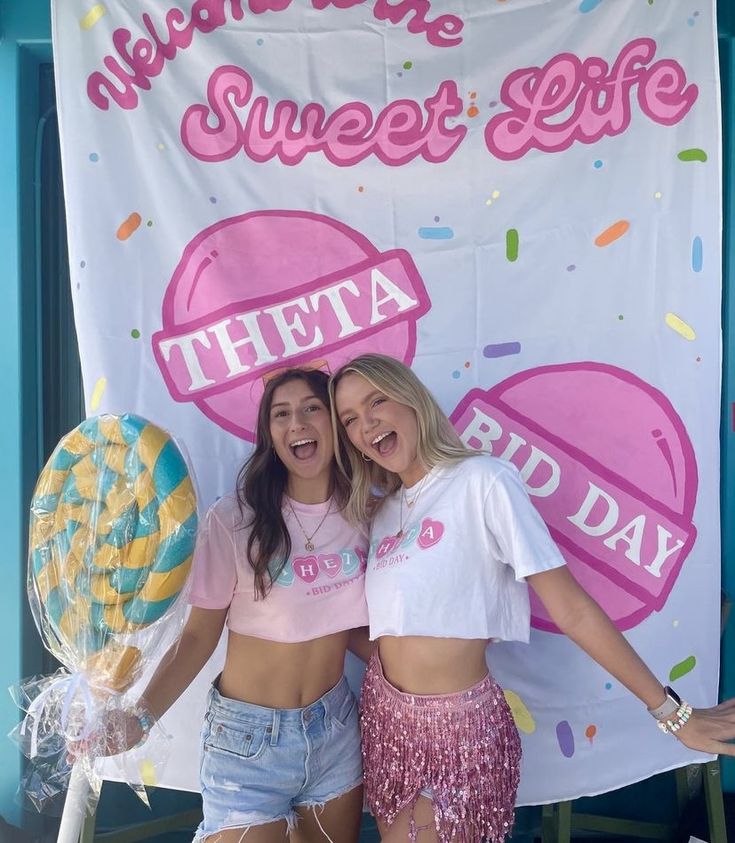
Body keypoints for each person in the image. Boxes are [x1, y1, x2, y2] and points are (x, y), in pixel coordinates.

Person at [328, 352, 735, 843]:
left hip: (463, 733)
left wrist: (671, 713)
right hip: (387, 723)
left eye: (377, 401)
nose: (365, 423)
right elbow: (387, 628)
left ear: (412, 400)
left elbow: (572, 609)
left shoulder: (484, 481)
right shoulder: (380, 513)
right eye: (350, 419)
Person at [87, 368, 369, 843]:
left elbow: (363, 629)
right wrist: (140, 717)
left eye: (310, 408)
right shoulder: (236, 520)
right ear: (271, 436)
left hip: (336, 728)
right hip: (248, 742)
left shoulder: (363, 512)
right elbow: (199, 635)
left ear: (335, 424)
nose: (296, 422)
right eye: (281, 414)